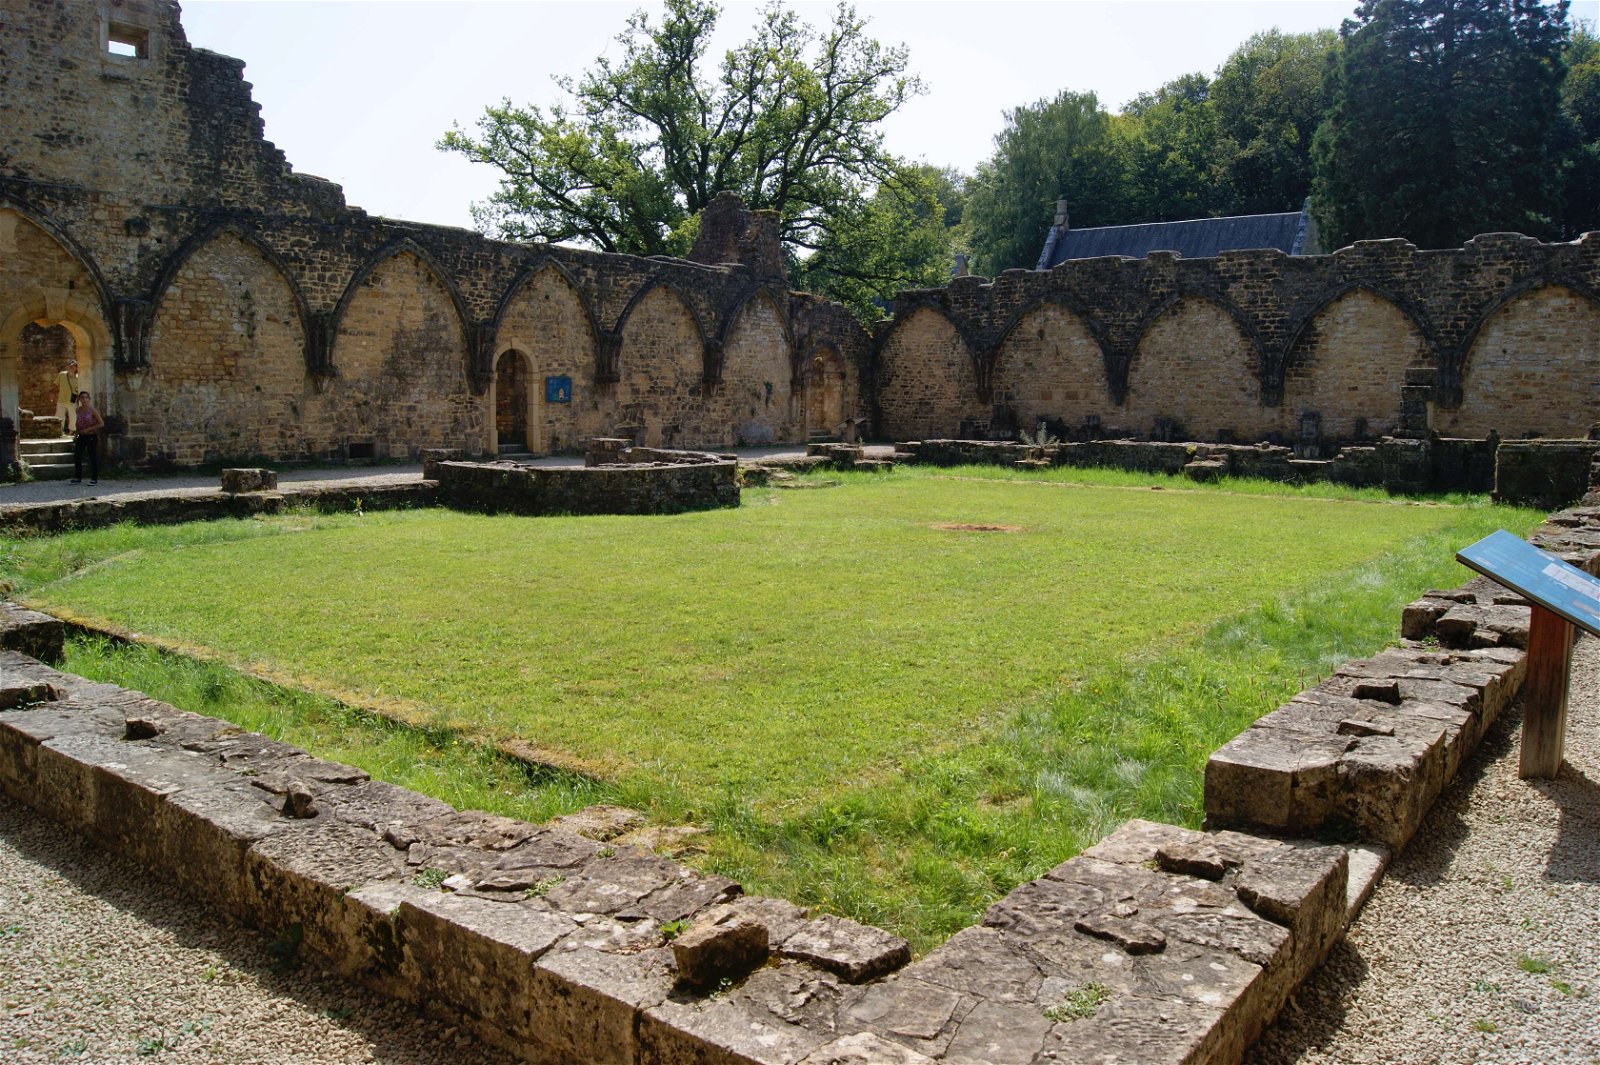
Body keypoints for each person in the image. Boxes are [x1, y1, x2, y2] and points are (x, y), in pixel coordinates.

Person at [70, 391, 102, 486]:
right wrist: (76, 434)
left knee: (92, 457)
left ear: (89, 399)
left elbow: (101, 423)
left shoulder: (92, 410)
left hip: (91, 436)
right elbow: (78, 422)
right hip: (81, 436)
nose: (84, 399)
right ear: (79, 399)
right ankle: (78, 477)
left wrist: (88, 429)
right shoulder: (78, 410)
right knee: (77, 455)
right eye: (82, 397)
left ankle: (94, 478)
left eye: (86, 397)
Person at [54, 358, 79, 434]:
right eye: (70, 366)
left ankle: (72, 432)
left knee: (73, 417)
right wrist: (52, 393)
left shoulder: (79, 377)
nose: (72, 368)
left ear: (76, 367)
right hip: (61, 399)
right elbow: (55, 385)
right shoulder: (62, 374)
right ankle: (59, 431)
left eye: (74, 366)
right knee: (59, 417)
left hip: (72, 400)